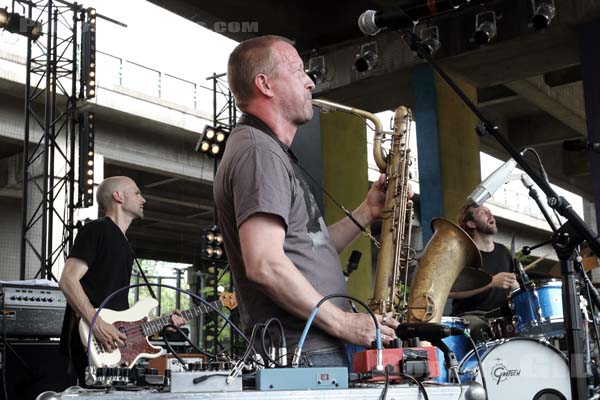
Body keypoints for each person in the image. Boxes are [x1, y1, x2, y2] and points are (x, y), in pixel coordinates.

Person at [213, 35, 399, 368]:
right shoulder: (259, 152)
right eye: (298, 71)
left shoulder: (268, 152)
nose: (310, 82)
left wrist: (368, 211)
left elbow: (310, 245)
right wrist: (342, 322)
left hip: (313, 349)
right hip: (306, 352)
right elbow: (264, 264)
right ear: (265, 84)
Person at [59, 176, 184, 385]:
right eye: (137, 193)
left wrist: (162, 323)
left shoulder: (124, 243)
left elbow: (122, 315)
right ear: (118, 196)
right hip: (90, 340)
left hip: (112, 346)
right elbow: (68, 280)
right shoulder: (97, 230)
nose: (143, 199)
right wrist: (96, 322)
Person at [449, 202, 519, 340]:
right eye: (482, 213)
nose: (490, 214)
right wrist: (491, 282)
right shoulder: (463, 255)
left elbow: (516, 288)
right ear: (471, 224)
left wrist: (515, 287)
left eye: (489, 211)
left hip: (502, 317)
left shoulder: (504, 251)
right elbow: (449, 292)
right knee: (481, 330)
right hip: (472, 316)